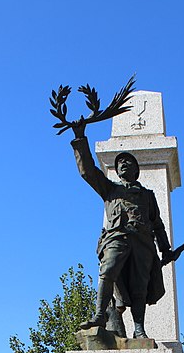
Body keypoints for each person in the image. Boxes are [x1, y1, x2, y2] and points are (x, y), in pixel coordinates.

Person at [70, 120, 173, 339]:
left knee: (139, 288)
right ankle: (99, 315)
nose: (124, 164)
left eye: (128, 162)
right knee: (107, 272)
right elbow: (87, 171)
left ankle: (139, 329)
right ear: (116, 171)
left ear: (137, 170)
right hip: (116, 239)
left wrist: (165, 249)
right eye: (120, 163)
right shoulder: (110, 189)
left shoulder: (148, 196)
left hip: (143, 243)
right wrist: (80, 139)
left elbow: (157, 224)